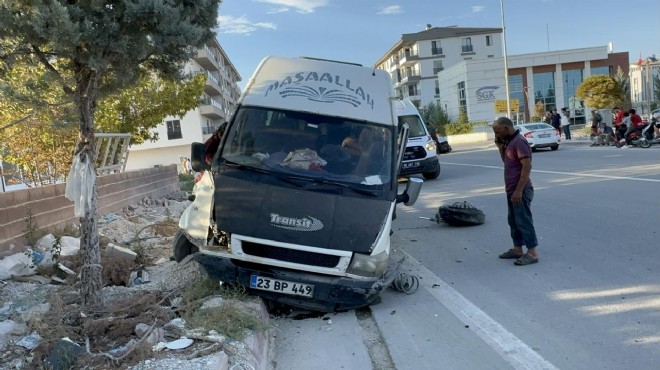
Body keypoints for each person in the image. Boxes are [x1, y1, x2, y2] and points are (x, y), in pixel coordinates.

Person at [492, 117, 539, 266]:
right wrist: (500, 148)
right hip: (512, 190)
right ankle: (517, 249)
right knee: (513, 221)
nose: (496, 135)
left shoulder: (519, 142)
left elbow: (527, 166)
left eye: (498, 132)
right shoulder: (509, 143)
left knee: (523, 221)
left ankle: (532, 253)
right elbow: (507, 163)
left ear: (506, 128)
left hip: (521, 190)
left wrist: (519, 191)